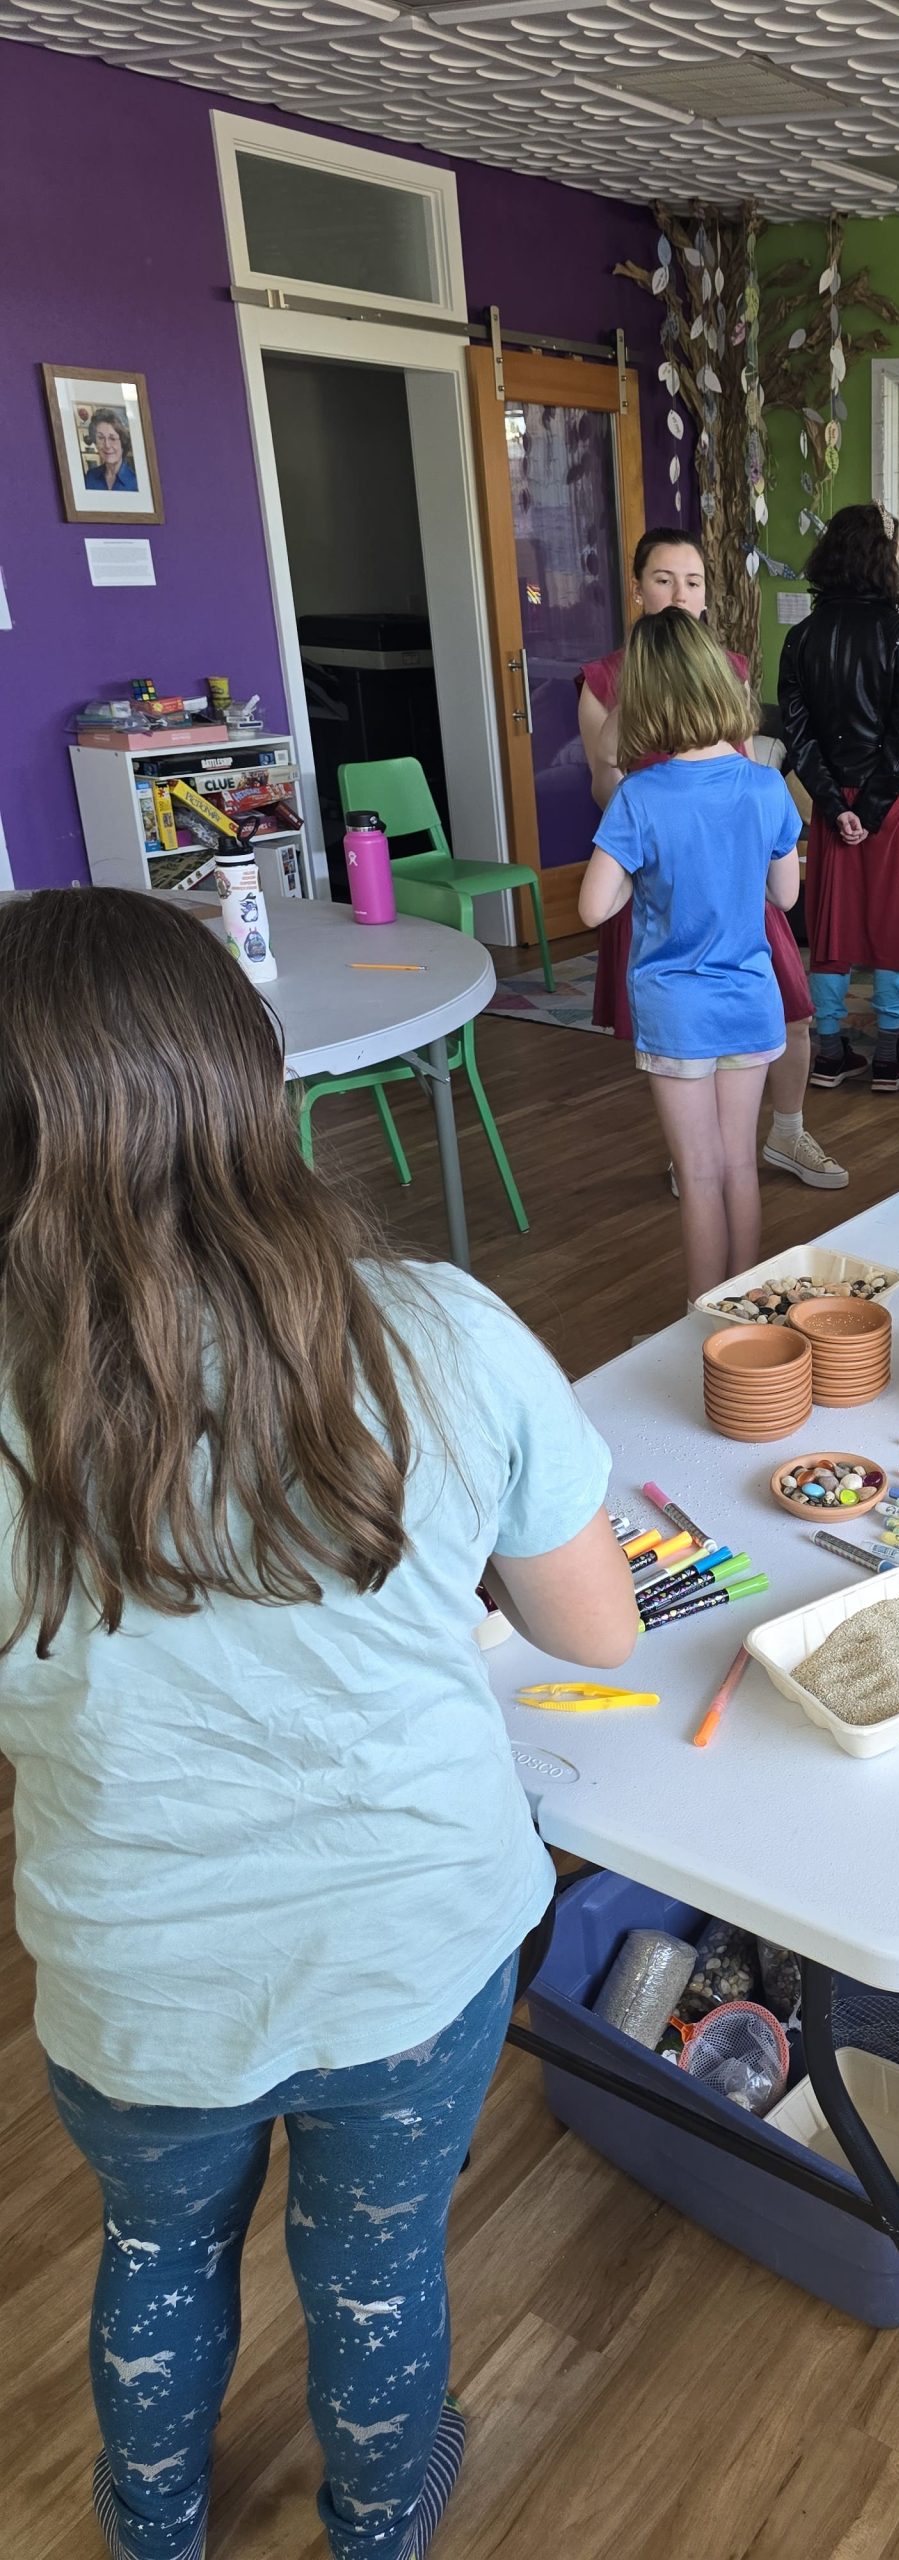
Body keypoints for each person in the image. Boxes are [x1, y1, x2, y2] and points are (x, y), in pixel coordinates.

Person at [0, 889, 636, 2560]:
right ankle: (375, 2524)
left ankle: (151, 2528)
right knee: (374, 2264)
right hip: (412, 1940)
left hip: (136, 1976)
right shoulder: (444, 1332)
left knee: (155, 2252)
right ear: (252, 1086)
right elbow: (596, 1631)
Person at [578, 528, 844, 1190]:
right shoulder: (608, 682)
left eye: (692, 582)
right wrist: (622, 726)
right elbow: (607, 791)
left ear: (705, 596)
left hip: (736, 878)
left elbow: (748, 775)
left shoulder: (730, 669)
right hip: (663, 880)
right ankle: (698, 1152)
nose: (678, 594)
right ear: (638, 590)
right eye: (663, 579)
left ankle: (784, 1134)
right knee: (684, 1036)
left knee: (792, 1009)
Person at [578, 610, 802, 1305]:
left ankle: (703, 1326)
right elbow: (785, 895)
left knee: (699, 1175)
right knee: (740, 1166)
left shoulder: (639, 798)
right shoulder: (764, 785)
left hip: (677, 1012)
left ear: (643, 698)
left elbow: (592, 908)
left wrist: (642, 879)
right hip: (751, 1003)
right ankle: (746, 1322)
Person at [778, 503, 899, 1093]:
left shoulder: (801, 637)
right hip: (892, 800)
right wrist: (868, 810)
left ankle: (830, 1052)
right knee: (896, 922)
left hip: (830, 798)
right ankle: (888, 1057)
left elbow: (798, 736)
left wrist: (836, 805)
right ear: (882, 556)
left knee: (831, 924)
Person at [82, 406, 139, 492]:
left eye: (112, 438)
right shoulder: (90, 477)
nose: (107, 445)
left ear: (123, 442)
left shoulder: (136, 481)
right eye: (101, 438)